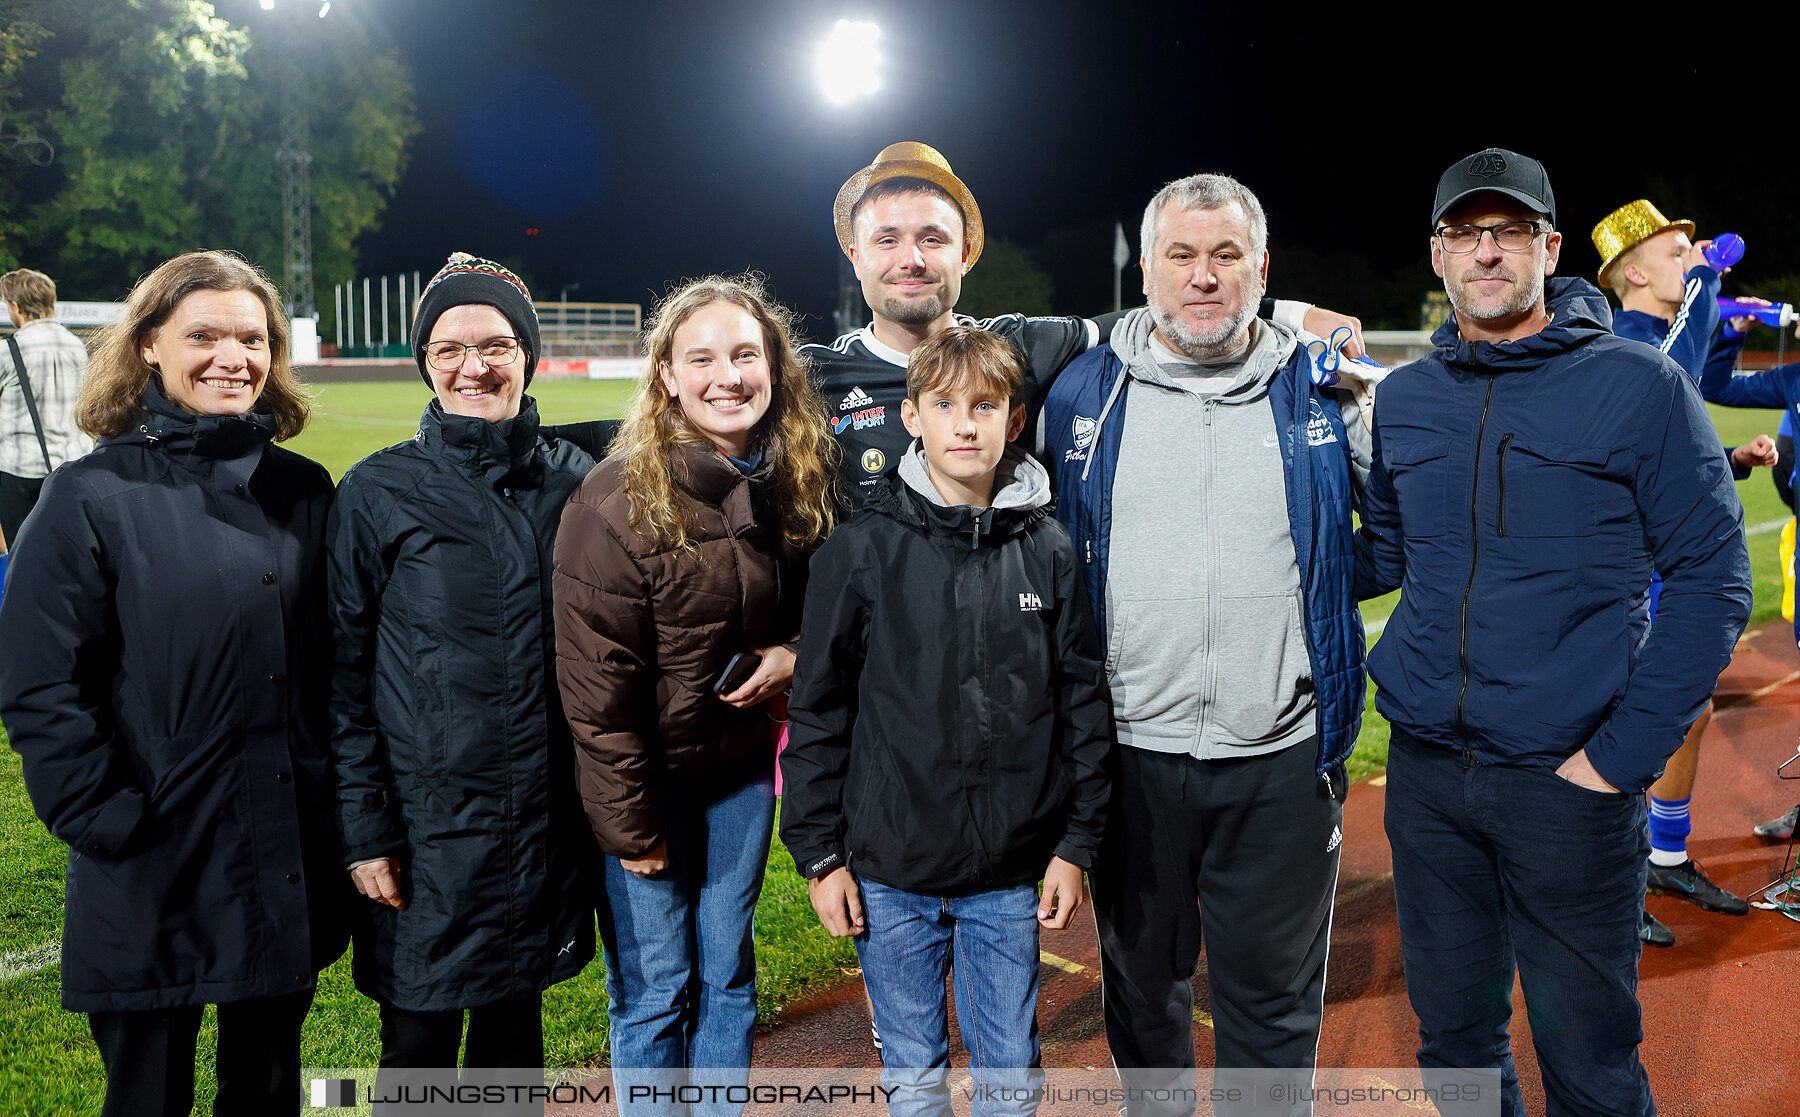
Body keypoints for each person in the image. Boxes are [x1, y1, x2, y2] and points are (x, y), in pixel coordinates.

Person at [1356, 149, 1751, 1117]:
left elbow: (1713, 577)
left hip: (1570, 780)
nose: (1486, 252)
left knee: (1590, 1057)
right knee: (1453, 1038)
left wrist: (1619, 761)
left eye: (1510, 232)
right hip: (1429, 775)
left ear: (1550, 247)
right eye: (1466, 233)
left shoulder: (1637, 384)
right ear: (1439, 254)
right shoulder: (1403, 397)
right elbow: (1384, 560)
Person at [1039, 173, 1370, 1116]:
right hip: (1130, 757)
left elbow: (1376, 538)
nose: (1204, 276)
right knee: (1143, 997)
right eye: (1181, 255)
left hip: (1282, 754)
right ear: (1147, 269)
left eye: (1227, 255)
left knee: (1273, 1009)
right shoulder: (1078, 395)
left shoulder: (1322, 387)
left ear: (1262, 270)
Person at [0, 249, 347, 1117]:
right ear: (149, 344)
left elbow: (335, 664)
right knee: (147, 1099)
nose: (235, 356)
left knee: (267, 1093)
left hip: (279, 856)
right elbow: (41, 683)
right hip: (152, 860)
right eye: (205, 335)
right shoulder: (87, 494)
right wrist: (107, 816)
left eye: (253, 337)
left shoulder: (304, 489)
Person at [781, 326, 1112, 1116]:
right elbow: (818, 708)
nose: (966, 424)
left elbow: (1083, 703)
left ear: (1016, 420)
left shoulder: (1050, 549)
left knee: (1010, 1071)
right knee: (914, 1070)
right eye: (946, 405)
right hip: (889, 871)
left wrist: (1075, 846)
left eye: (986, 405)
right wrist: (820, 854)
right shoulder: (862, 550)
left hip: (1005, 874)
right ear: (913, 417)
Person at [552, 275, 839, 1111]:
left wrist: (791, 651)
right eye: (701, 357)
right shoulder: (613, 501)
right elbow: (596, 699)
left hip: (740, 774)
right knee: (656, 989)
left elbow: (825, 612)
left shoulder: (792, 480)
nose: (728, 375)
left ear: (775, 369)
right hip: (651, 787)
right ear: (667, 376)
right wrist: (632, 829)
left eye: (746, 354)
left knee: (729, 976)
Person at [326, 253, 597, 1079]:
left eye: (496, 344)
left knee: (512, 1052)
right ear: (426, 362)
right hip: (423, 837)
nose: (473, 365)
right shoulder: (375, 491)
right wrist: (365, 830)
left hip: (541, 828)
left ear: (526, 355)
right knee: (416, 1057)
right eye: (449, 347)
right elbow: (341, 679)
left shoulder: (579, 481)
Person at [810, 141, 1362, 507]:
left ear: (966, 253)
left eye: (933, 239)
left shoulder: (1018, 347)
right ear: (855, 255)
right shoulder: (810, 380)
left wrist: (1294, 312)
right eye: (887, 240)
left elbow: (1168, 305)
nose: (911, 260)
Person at [1592, 200, 1776, 939]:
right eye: (1675, 252)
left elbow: (1671, 452)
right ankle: (1608, 881)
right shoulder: (1620, 338)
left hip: (1671, 560)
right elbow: (1664, 385)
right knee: (1627, 720)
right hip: (1625, 572)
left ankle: (1663, 855)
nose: (1690, 259)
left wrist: (1730, 461)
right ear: (1633, 271)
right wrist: (1706, 286)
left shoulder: (1662, 338)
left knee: (1689, 709)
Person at [0, 267, 90, 544]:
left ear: (16, 306)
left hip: (20, 467)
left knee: (22, 550)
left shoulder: (8, 349)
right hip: (69, 464)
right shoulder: (76, 346)